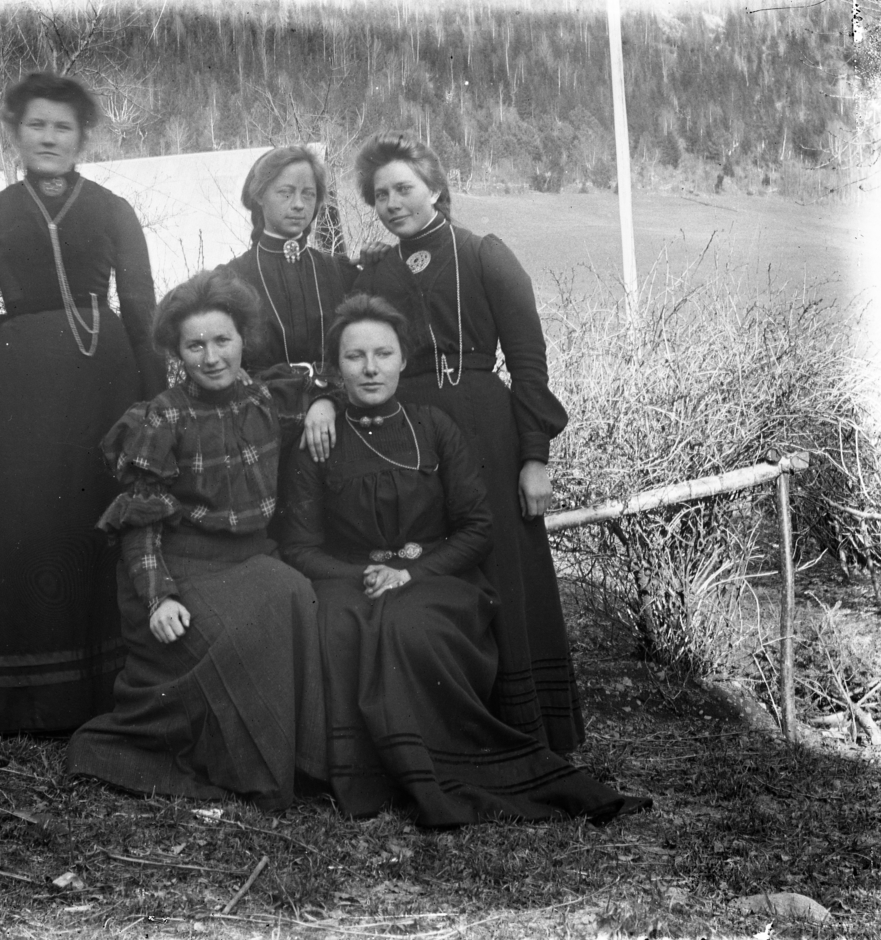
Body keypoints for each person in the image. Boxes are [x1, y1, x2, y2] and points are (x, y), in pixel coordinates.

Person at [280, 296, 647, 825]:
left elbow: (477, 529)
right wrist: (365, 574)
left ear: (404, 359)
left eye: (383, 353)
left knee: (410, 624)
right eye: (354, 356)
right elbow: (298, 546)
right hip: (350, 577)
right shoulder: (322, 436)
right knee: (338, 622)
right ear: (336, 367)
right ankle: (367, 774)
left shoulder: (434, 426)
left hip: (437, 577)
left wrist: (409, 572)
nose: (370, 368)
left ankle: (440, 767)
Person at [0, 73, 167, 734]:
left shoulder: (114, 210)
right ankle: (23, 696)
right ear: (17, 132)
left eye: (62, 127)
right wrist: (22, 331)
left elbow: (143, 310)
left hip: (107, 383)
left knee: (96, 522)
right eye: (37, 125)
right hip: (26, 392)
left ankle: (104, 691)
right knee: (28, 527)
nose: (49, 137)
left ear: (81, 137)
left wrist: (155, 403)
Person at [67, 269, 334, 809]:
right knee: (239, 632)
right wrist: (159, 595)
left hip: (251, 556)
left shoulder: (262, 397)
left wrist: (324, 401)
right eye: (195, 345)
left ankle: (299, 762)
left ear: (243, 341)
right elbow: (139, 522)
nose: (211, 357)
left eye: (222, 341)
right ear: (177, 351)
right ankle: (242, 768)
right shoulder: (161, 418)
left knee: (296, 596)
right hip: (181, 563)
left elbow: (320, 387)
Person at [352, 132, 582, 755]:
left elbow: (529, 362)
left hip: (486, 423)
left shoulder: (484, 254)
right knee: (426, 559)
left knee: (500, 561)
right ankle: (445, 720)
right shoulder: (373, 270)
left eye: (404, 188)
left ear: (434, 187)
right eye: (380, 195)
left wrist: (535, 456)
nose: (393, 203)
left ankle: (523, 724)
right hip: (411, 430)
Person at [221, 146, 358, 374]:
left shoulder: (339, 273)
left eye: (308, 194)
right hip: (260, 402)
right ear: (259, 196)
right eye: (286, 193)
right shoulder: (230, 279)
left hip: (333, 400)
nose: (298, 204)